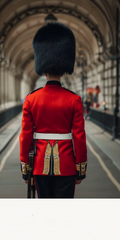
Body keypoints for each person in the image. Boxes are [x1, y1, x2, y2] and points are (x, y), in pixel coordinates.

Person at [19, 22, 88, 198]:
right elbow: (79, 137)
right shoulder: (74, 100)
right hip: (66, 165)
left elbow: (25, 136)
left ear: (43, 71)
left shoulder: (30, 99)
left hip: (39, 165)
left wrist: (26, 166)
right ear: (64, 71)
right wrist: (80, 167)